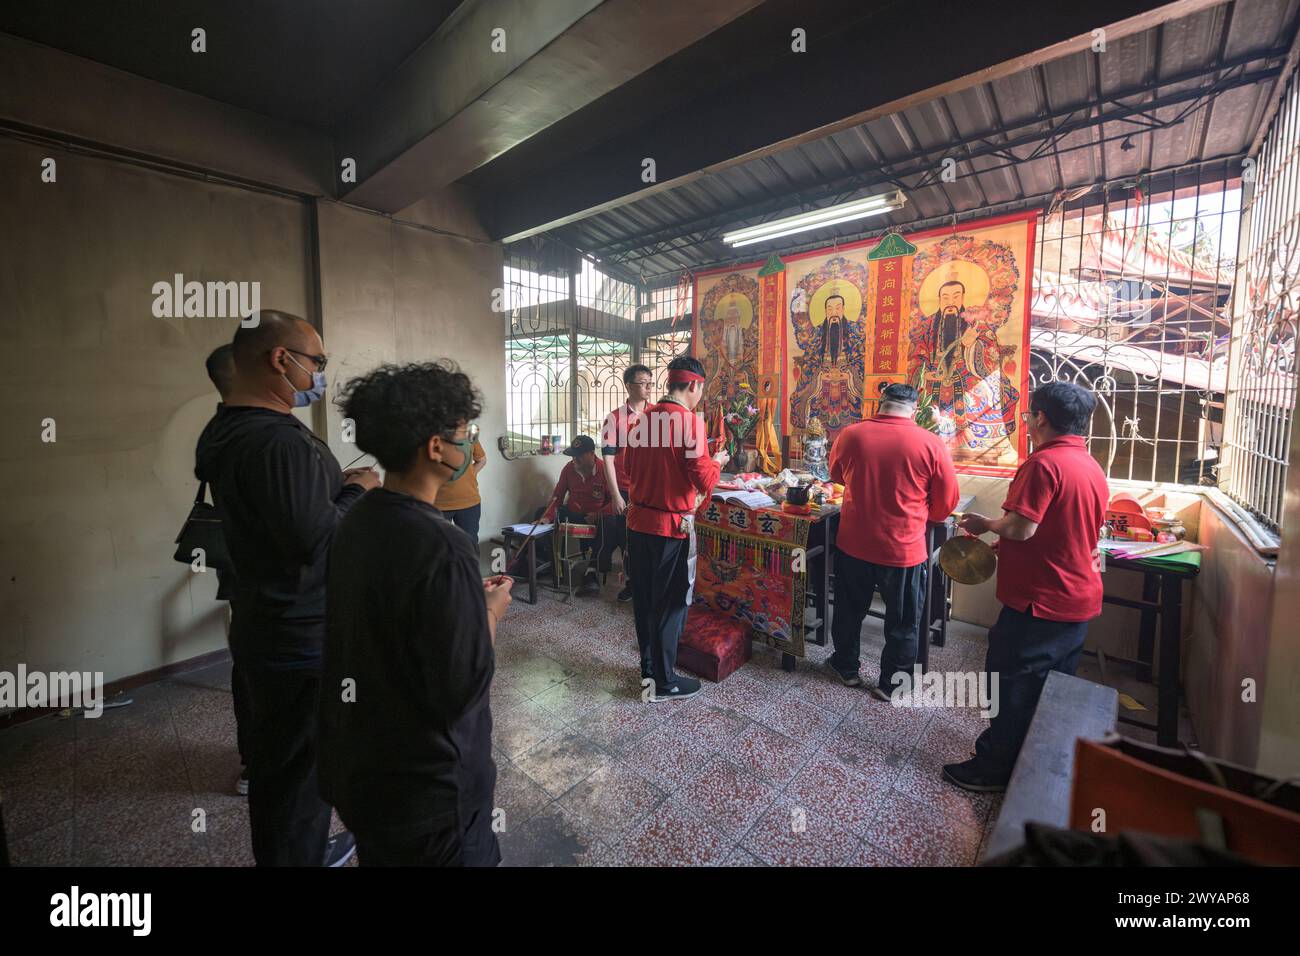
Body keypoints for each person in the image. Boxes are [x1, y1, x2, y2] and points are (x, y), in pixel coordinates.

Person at [195, 310, 380, 867]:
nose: (318, 374)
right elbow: (316, 543)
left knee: (282, 763)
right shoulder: (276, 442)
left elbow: (291, 519)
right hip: (300, 634)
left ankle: (301, 849)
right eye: (316, 362)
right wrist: (359, 491)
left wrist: (333, 488)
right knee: (297, 772)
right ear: (281, 359)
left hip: (263, 617)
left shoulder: (227, 427)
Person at [319, 361, 510, 866]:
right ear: (434, 447)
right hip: (432, 790)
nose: (468, 448)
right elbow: (462, 684)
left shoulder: (358, 516)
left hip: (369, 769)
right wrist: (489, 612)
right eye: (464, 436)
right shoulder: (442, 547)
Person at [943, 381, 1108, 793]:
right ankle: (1031, 766)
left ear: (1042, 418)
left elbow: (1022, 526)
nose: (1028, 423)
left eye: (1029, 415)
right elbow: (1060, 529)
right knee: (1046, 691)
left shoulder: (1043, 464)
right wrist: (1003, 543)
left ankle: (993, 769)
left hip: (1040, 603)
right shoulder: (1089, 465)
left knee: (1010, 686)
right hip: (1075, 601)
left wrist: (985, 525)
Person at [827, 383, 960, 697]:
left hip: (853, 544)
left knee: (848, 611)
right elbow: (946, 503)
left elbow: (836, 475)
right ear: (913, 410)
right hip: (903, 550)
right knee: (902, 621)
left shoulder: (851, 434)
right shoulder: (930, 443)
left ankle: (846, 668)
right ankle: (892, 685)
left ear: (881, 404)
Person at [624, 355, 730, 701]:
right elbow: (702, 477)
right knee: (670, 604)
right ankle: (665, 682)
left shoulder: (643, 420)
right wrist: (717, 462)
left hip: (638, 523)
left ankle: (650, 673)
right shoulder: (689, 422)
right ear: (695, 385)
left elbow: (628, 469)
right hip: (670, 529)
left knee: (644, 603)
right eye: (701, 389)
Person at [200, 343, 251, 797]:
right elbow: (303, 526)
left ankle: (256, 761)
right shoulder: (259, 435)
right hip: (273, 586)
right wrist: (353, 493)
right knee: (271, 677)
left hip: (246, 577)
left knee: (252, 668)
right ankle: (266, 767)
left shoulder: (219, 429)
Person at [601, 364, 653, 602]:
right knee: (628, 540)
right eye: (643, 382)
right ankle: (632, 582)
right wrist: (615, 495)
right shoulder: (614, 419)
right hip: (626, 488)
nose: (648, 387)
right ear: (629, 385)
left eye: (650, 382)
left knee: (651, 539)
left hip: (652, 489)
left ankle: (649, 583)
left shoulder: (658, 415)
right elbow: (608, 460)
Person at [543, 435, 615, 597]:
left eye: (579, 456)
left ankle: (591, 573)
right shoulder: (569, 469)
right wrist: (547, 516)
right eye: (573, 456)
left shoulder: (605, 469)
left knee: (611, 522)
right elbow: (557, 496)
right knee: (542, 515)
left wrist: (598, 514)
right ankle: (553, 567)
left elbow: (615, 501)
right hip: (573, 513)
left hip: (596, 518)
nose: (575, 459)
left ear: (591, 454)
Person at [433, 431, 487, 542]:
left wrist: (471, 474)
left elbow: (481, 460)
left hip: (469, 503)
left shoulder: (470, 433)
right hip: (437, 505)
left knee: (469, 547)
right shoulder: (429, 434)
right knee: (438, 548)